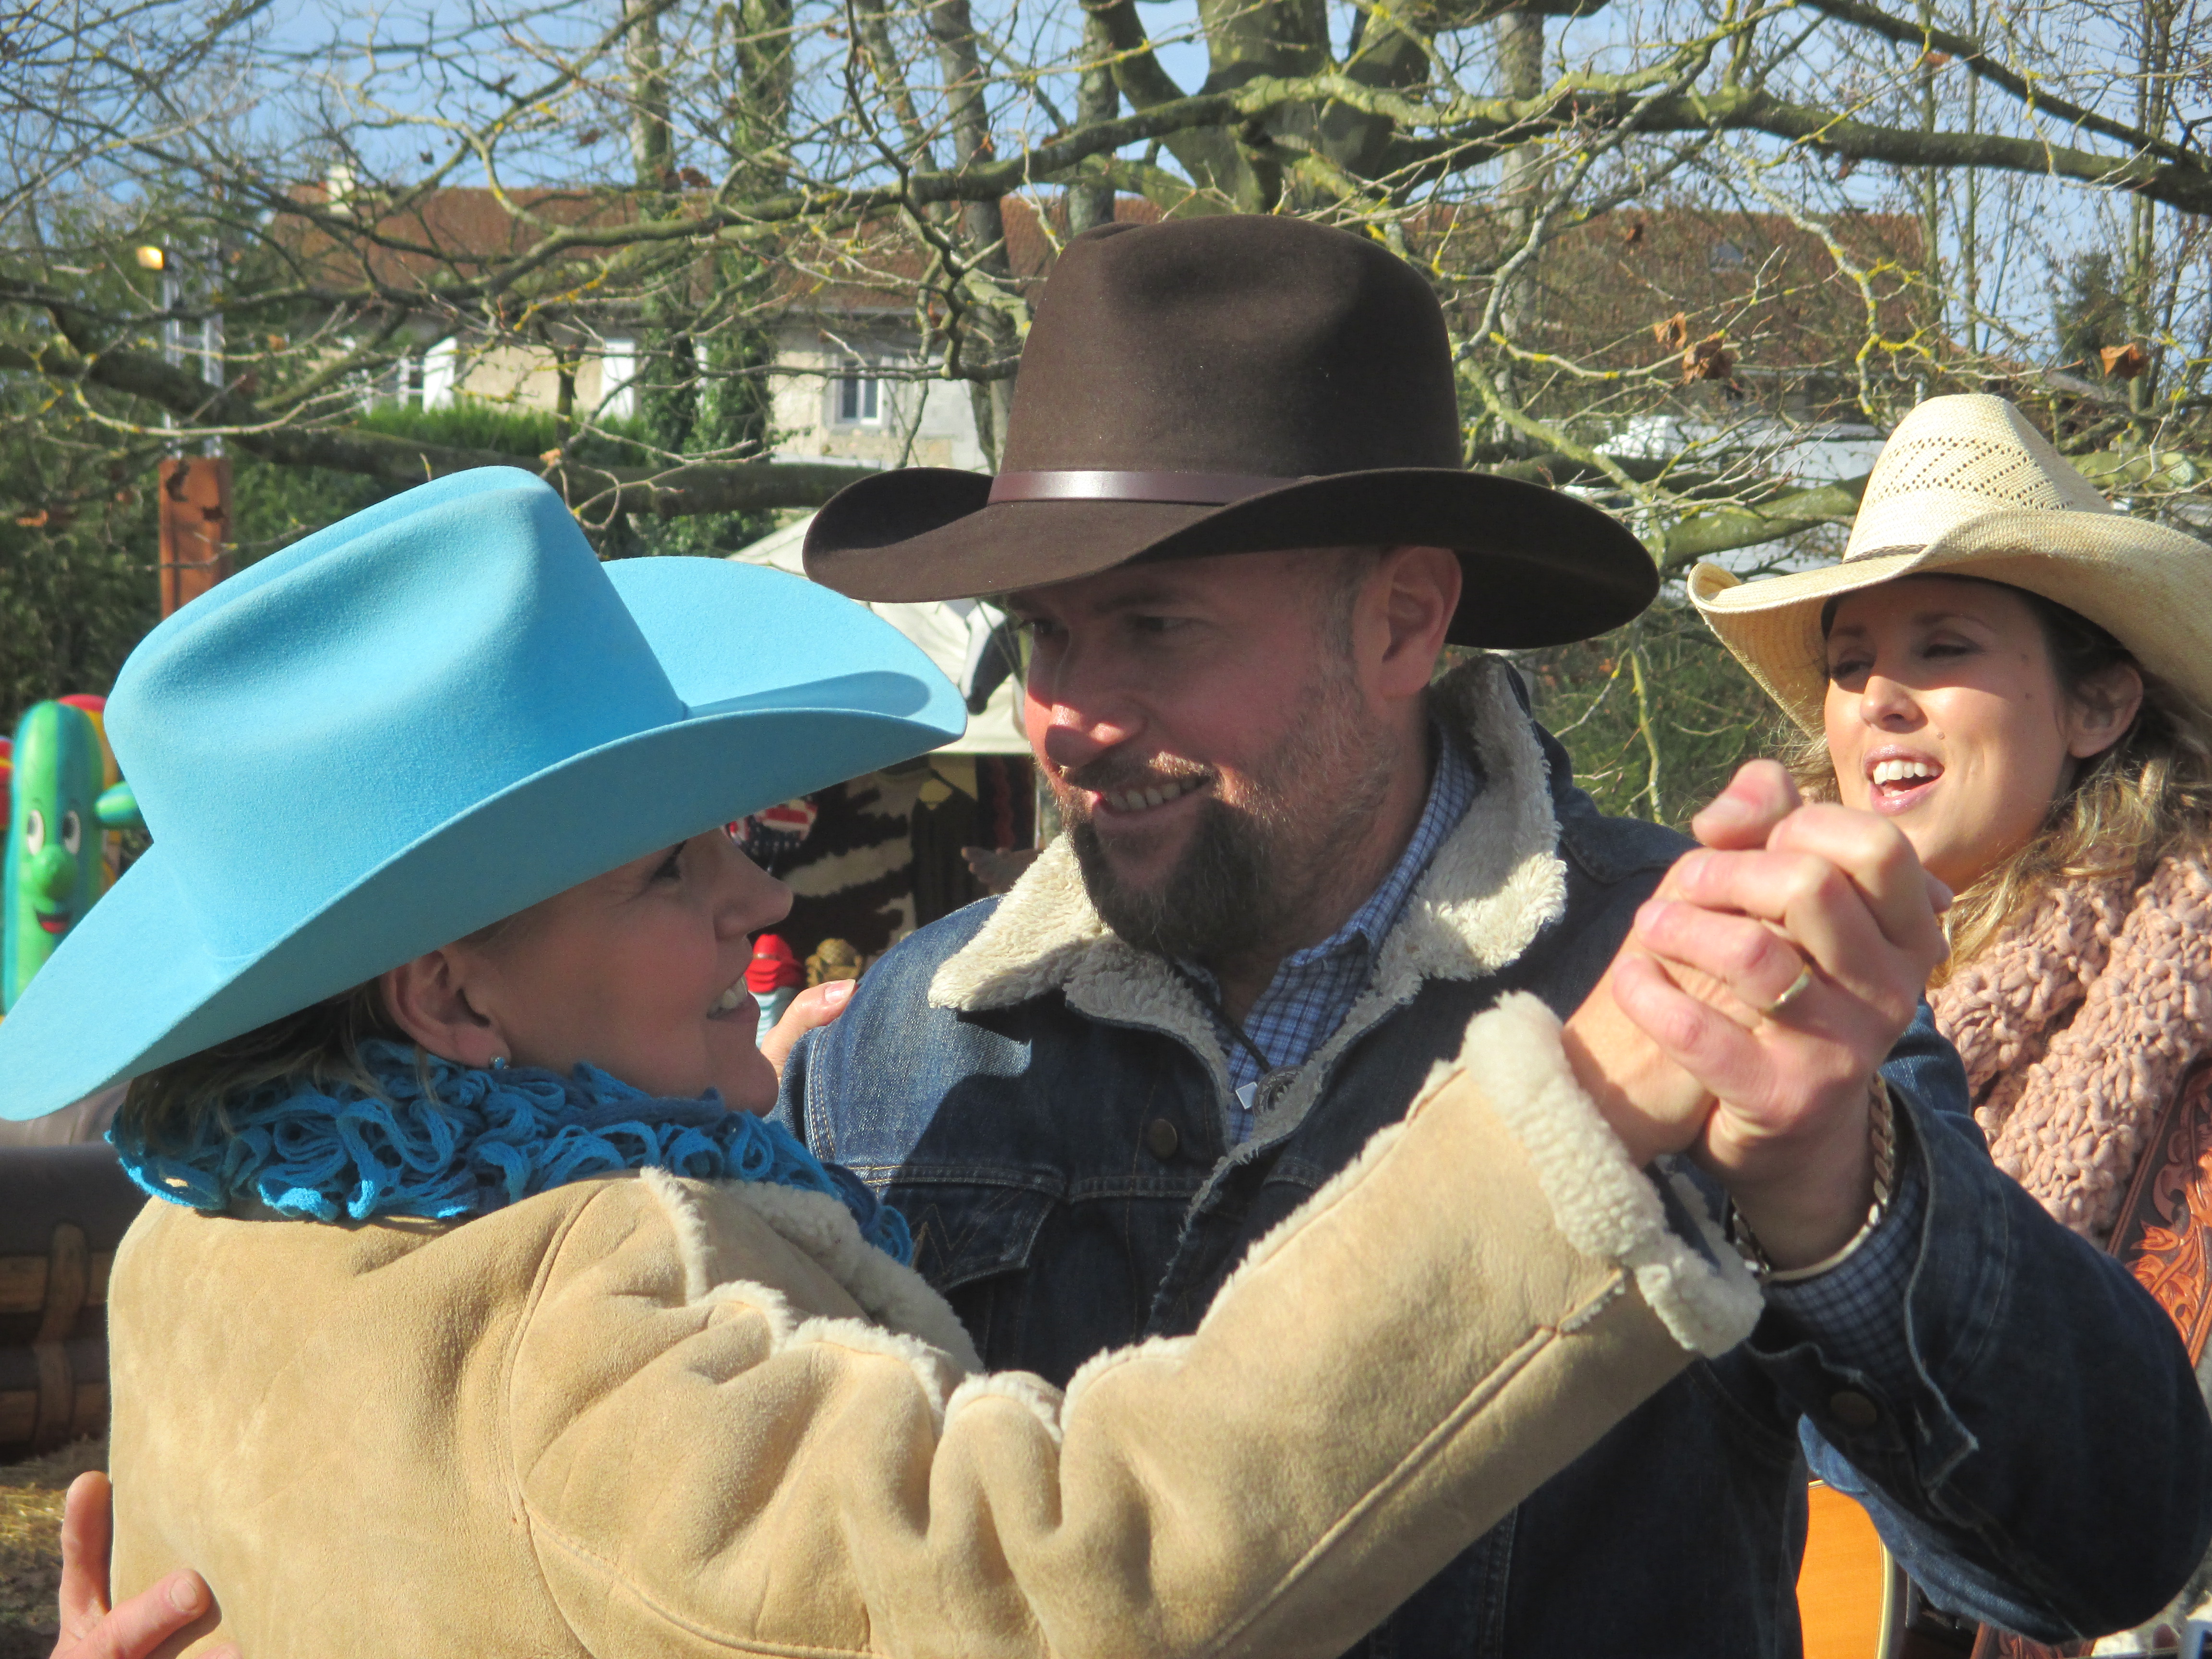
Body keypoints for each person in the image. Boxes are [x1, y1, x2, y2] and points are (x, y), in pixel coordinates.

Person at [9, 464, 1824, 1657]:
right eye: (668, 865)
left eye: (1161, 622)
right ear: (451, 1003)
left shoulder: (199, 1241)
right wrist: (1578, 1121)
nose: (753, 891)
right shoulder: (569, 1299)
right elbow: (1075, 1568)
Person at [772, 216, 2212, 1655]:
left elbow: (2111, 1546)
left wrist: (1841, 1203)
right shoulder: (894, 1052)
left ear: (1403, 622)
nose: (1065, 715)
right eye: (1045, 632)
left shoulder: (1712, 997)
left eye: (1154, 626)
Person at [1692, 390, 2212, 1650]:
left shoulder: (2194, 1021)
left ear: (2097, 708)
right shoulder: (1725, 984)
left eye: (1945, 647)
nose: (1881, 697)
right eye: (1850, 660)